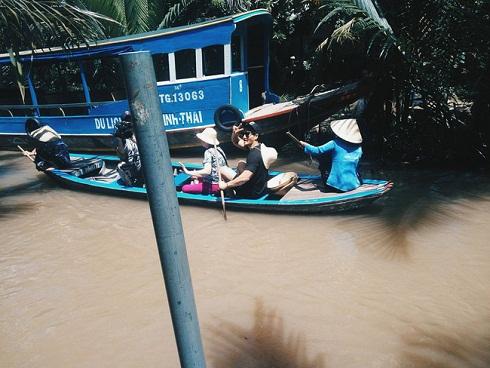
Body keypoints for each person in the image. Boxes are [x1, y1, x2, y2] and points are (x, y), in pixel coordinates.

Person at [299, 118, 363, 192]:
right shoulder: (359, 148)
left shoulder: (335, 143)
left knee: (323, 163)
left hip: (338, 186)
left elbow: (317, 151)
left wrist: (305, 145)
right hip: (354, 184)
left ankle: (328, 186)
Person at [218, 122, 277, 198]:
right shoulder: (258, 147)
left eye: (247, 134)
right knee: (241, 163)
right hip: (260, 188)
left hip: (251, 193)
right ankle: (237, 184)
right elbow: (236, 142)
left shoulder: (254, 155)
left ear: (256, 136)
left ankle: (231, 196)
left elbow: (245, 178)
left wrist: (226, 185)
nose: (244, 137)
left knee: (222, 170)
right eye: (243, 134)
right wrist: (235, 134)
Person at [179, 128, 227, 195]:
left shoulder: (208, 152)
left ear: (206, 141)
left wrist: (188, 172)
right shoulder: (220, 150)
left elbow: (207, 171)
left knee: (184, 188)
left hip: (213, 186)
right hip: (222, 182)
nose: (200, 141)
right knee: (197, 179)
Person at [113, 111, 143, 187]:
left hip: (140, 164)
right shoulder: (121, 137)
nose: (129, 122)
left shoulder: (137, 133)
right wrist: (119, 138)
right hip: (129, 166)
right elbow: (122, 156)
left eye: (130, 120)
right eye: (127, 121)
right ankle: (132, 185)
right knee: (121, 166)